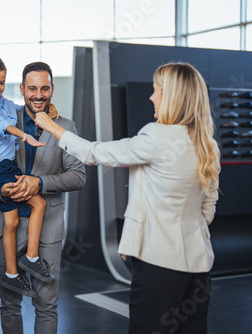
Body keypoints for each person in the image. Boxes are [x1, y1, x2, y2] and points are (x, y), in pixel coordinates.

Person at [34, 62, 220, 334]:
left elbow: (94, 153)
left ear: (170, 96)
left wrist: (53, 128)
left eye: (156, 90)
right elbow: (208, 210)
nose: (151, 97)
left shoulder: (157, 135)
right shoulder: (208, 144)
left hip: (160, 266)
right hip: (199, 266)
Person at [0, 61, 87, 334]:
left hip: (47, 229)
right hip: (5, 224)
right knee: (9, 303)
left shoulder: (65, 127)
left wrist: (39, 183)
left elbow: (78, 176)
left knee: (46, 305)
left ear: (52, 89)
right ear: (22, 89)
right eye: (32, 88)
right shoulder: (3, 120)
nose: (38, 95)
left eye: (44, 88)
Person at [0, 54, 58, 297]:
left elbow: (25, 110)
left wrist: (48, 107)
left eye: (1, 83)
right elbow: (2, 125)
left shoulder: (8, 103)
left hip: (8, 166)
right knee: (39, 203)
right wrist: (23, 135)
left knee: (11, 222)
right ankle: (31, 258)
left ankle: (11, 274)